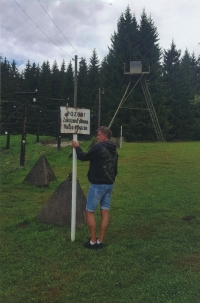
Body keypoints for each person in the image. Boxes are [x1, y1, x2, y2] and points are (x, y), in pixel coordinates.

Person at [72, 126, 118, 249]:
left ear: (104, 135)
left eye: (98, 134)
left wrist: (76, 146)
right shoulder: (114, 149)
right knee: (105, 212)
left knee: (89, 211)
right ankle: (100, 240)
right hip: (109, 184)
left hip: (98, 185)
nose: (96, 136)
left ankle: (92, 242)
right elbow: (115, 169)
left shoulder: (99, 147)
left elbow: (83, 157)